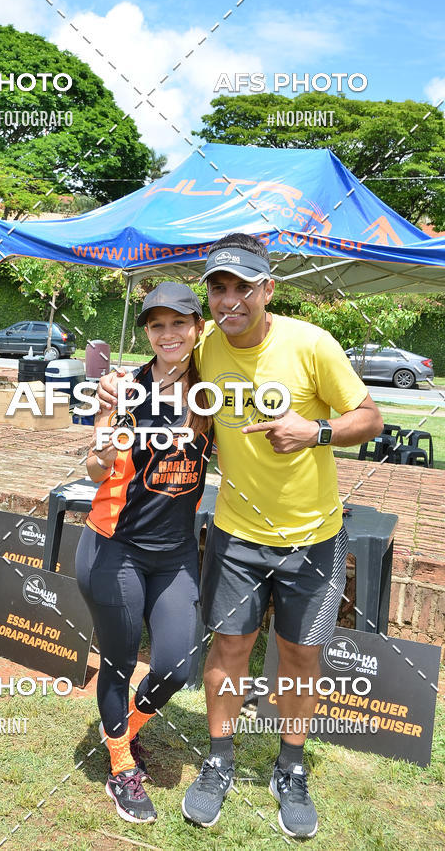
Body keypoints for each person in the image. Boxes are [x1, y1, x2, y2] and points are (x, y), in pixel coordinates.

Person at [97, 233, 383, 838]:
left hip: (314, 537)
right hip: (234, 535)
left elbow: (371, 418)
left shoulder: (311, 344)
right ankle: (219, 761)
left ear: (268, 289)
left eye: (243, 287)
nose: (231, 301)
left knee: (301, 656)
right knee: (227, 653)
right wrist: (112, 388)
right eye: (219, 288)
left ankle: (291, 766)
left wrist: (318, 432)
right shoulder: (206, 355)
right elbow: (157, 369)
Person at [76, 282, 214, 825]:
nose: (168, 333)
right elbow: (95, 469)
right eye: (157, 325)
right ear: (148, 334)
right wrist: (103, 452)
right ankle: (120, 766)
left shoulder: (212, 393)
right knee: (118, 660)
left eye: (179, 322)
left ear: (196, 328)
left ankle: (123, 729)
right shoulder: (120, 390)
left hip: (176, 551)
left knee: (178, 664)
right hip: (116, 547)